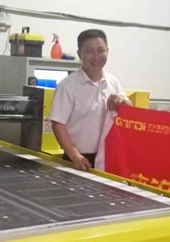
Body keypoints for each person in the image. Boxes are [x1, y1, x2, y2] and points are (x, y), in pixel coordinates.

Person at [49, 29, 131, 171]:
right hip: (79, 159)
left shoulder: (113, 82)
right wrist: (75, 156)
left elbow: (129, 111)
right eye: (89, 51)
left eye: (100, 51)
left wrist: (123, 101)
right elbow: (58, 124)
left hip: (109, 156)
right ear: (79, 53)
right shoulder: (67, 86)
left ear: (107, 51)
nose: (96, 57)